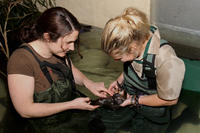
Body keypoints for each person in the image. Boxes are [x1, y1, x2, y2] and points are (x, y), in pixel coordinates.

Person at [7, 7, 111, 133]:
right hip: (46, 125)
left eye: (74, 42)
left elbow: (70, 69)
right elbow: (25, 110)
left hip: (71, 113)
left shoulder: (58, 50)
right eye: (68, 42)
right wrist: (71, 105)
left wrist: (89, 83)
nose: (72, 48)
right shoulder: (21, 60)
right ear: (47, 37)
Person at [90, 7, 185, 133]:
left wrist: (133, 100)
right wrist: (119, 81)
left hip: (153, 108)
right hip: (129, 97)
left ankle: (183, 116)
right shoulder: (135, 44)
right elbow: (133, 65)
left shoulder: (167, 61)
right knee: (95, 124)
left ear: (133, 47)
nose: (117, 62)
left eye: (119, 58)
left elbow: (170, 99)